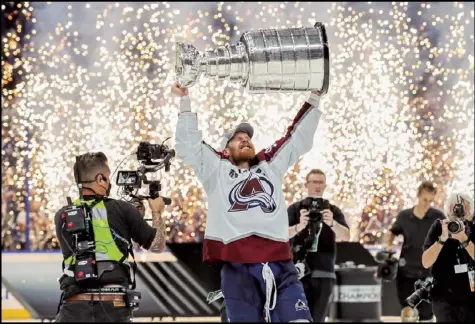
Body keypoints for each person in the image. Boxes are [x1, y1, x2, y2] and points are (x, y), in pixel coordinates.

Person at [172, 81, 323, 322]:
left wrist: (315, 97)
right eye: (237, 138)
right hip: (236, 269)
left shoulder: (269, 163)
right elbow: (188, 146)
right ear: (225, 148)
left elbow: (296, 138)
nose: (245, 140)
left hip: (281, 264)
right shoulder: (215, 169)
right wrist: (184, 100)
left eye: (248, 138)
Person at [54, 152, 167, 322]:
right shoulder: (122, 209)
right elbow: (157, 246)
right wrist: (157, 212)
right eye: (107, 178)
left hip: (74, 306)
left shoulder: (61, 215)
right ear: (100, 179)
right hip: (113, 305)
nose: (109, 184)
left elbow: (92, 229)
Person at [287, 168, 350, 322]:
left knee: (318, 318)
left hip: (324, 272)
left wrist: (332, 223)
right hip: (297, 273)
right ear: (306, 185)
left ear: (325, 186)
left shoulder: (332, 210)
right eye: (314, 182)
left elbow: (346, 236)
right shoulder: (295, 209)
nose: (317, 186)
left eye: (321, 182)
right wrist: (299, 226)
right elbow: (280, 235)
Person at [386, 181, 445, 322]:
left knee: (427, 316)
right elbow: (392, 232)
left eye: (431, 201)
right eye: (425, 200)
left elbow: (447, 237)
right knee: (407, 313)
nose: (427, 204)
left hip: (429, 275)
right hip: (406, 272)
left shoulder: (438, 217)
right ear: (418, 196)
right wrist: (389, 246)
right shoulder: (404, 216)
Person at [421, 192, 475, 322]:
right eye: (455, 208)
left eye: (463, 208)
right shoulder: (439, 227)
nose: (458, 212)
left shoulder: (473, 228)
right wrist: (442, 239)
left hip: (471, 297)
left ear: (470, 211)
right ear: (448, 210)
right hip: (443, 296)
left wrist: (464, 239)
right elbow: (426, 262)